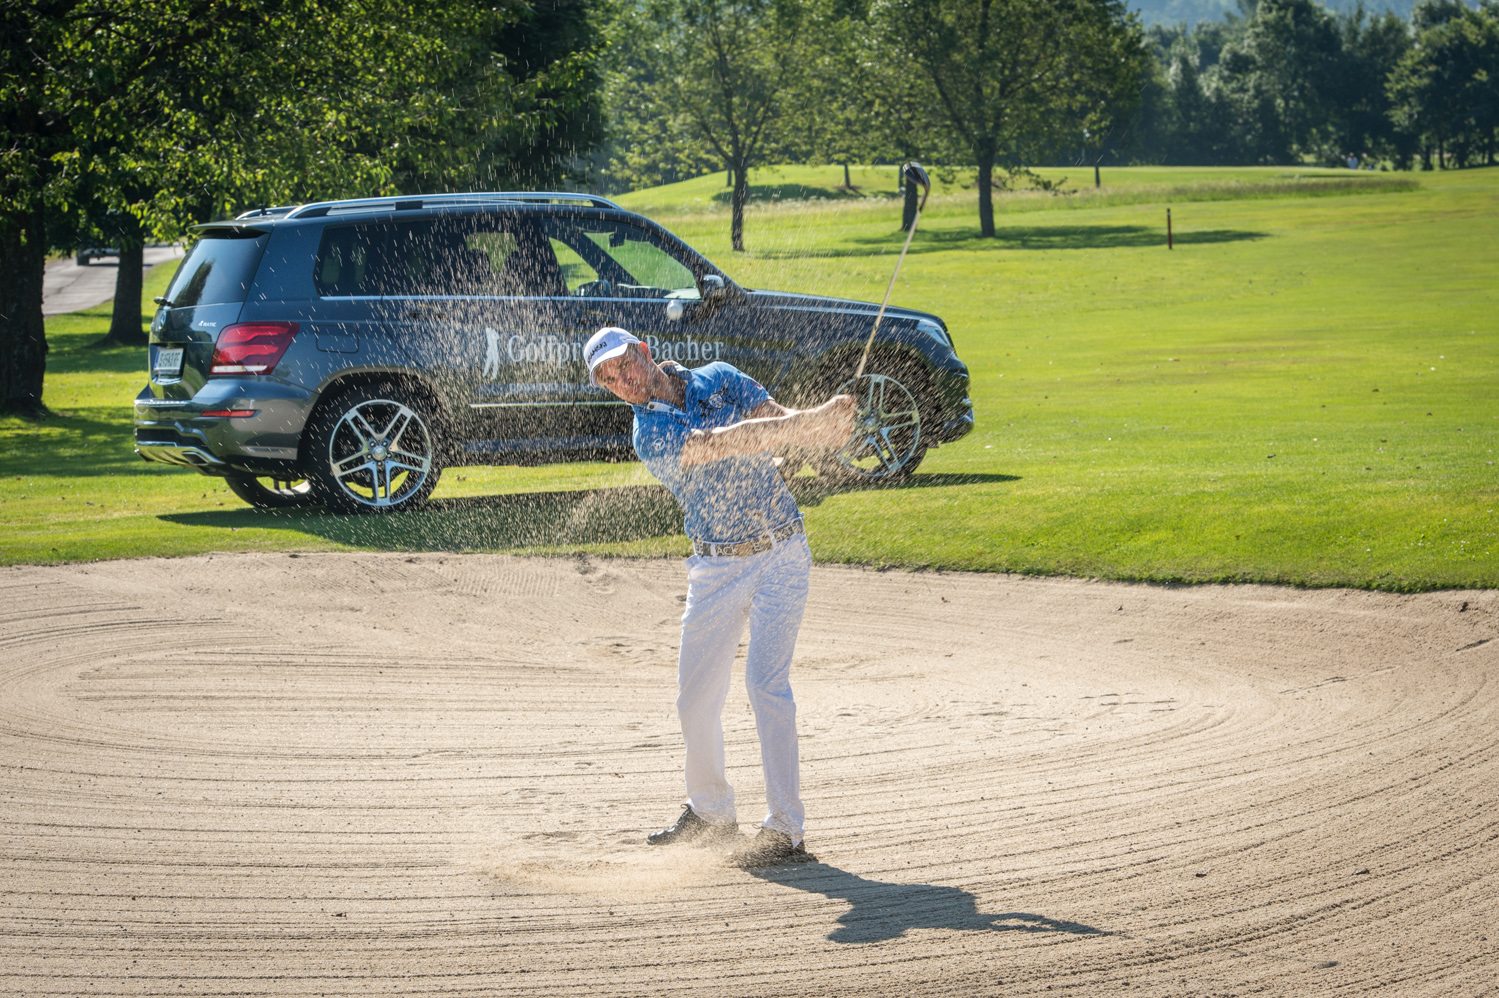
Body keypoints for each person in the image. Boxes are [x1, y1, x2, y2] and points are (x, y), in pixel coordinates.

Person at [583, 326, 856, 867]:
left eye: (623, 366)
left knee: (766, 686)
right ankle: (711, 812)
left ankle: (785, 831)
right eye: (608, 380)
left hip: (783, 551)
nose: (622, 383)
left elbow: (779, 424)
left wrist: (827, 429)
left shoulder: (720, 378)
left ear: (644, 351)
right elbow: (717, 446)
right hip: (716, 566)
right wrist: (805, 423)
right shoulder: (648, 433)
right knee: (695, 697)